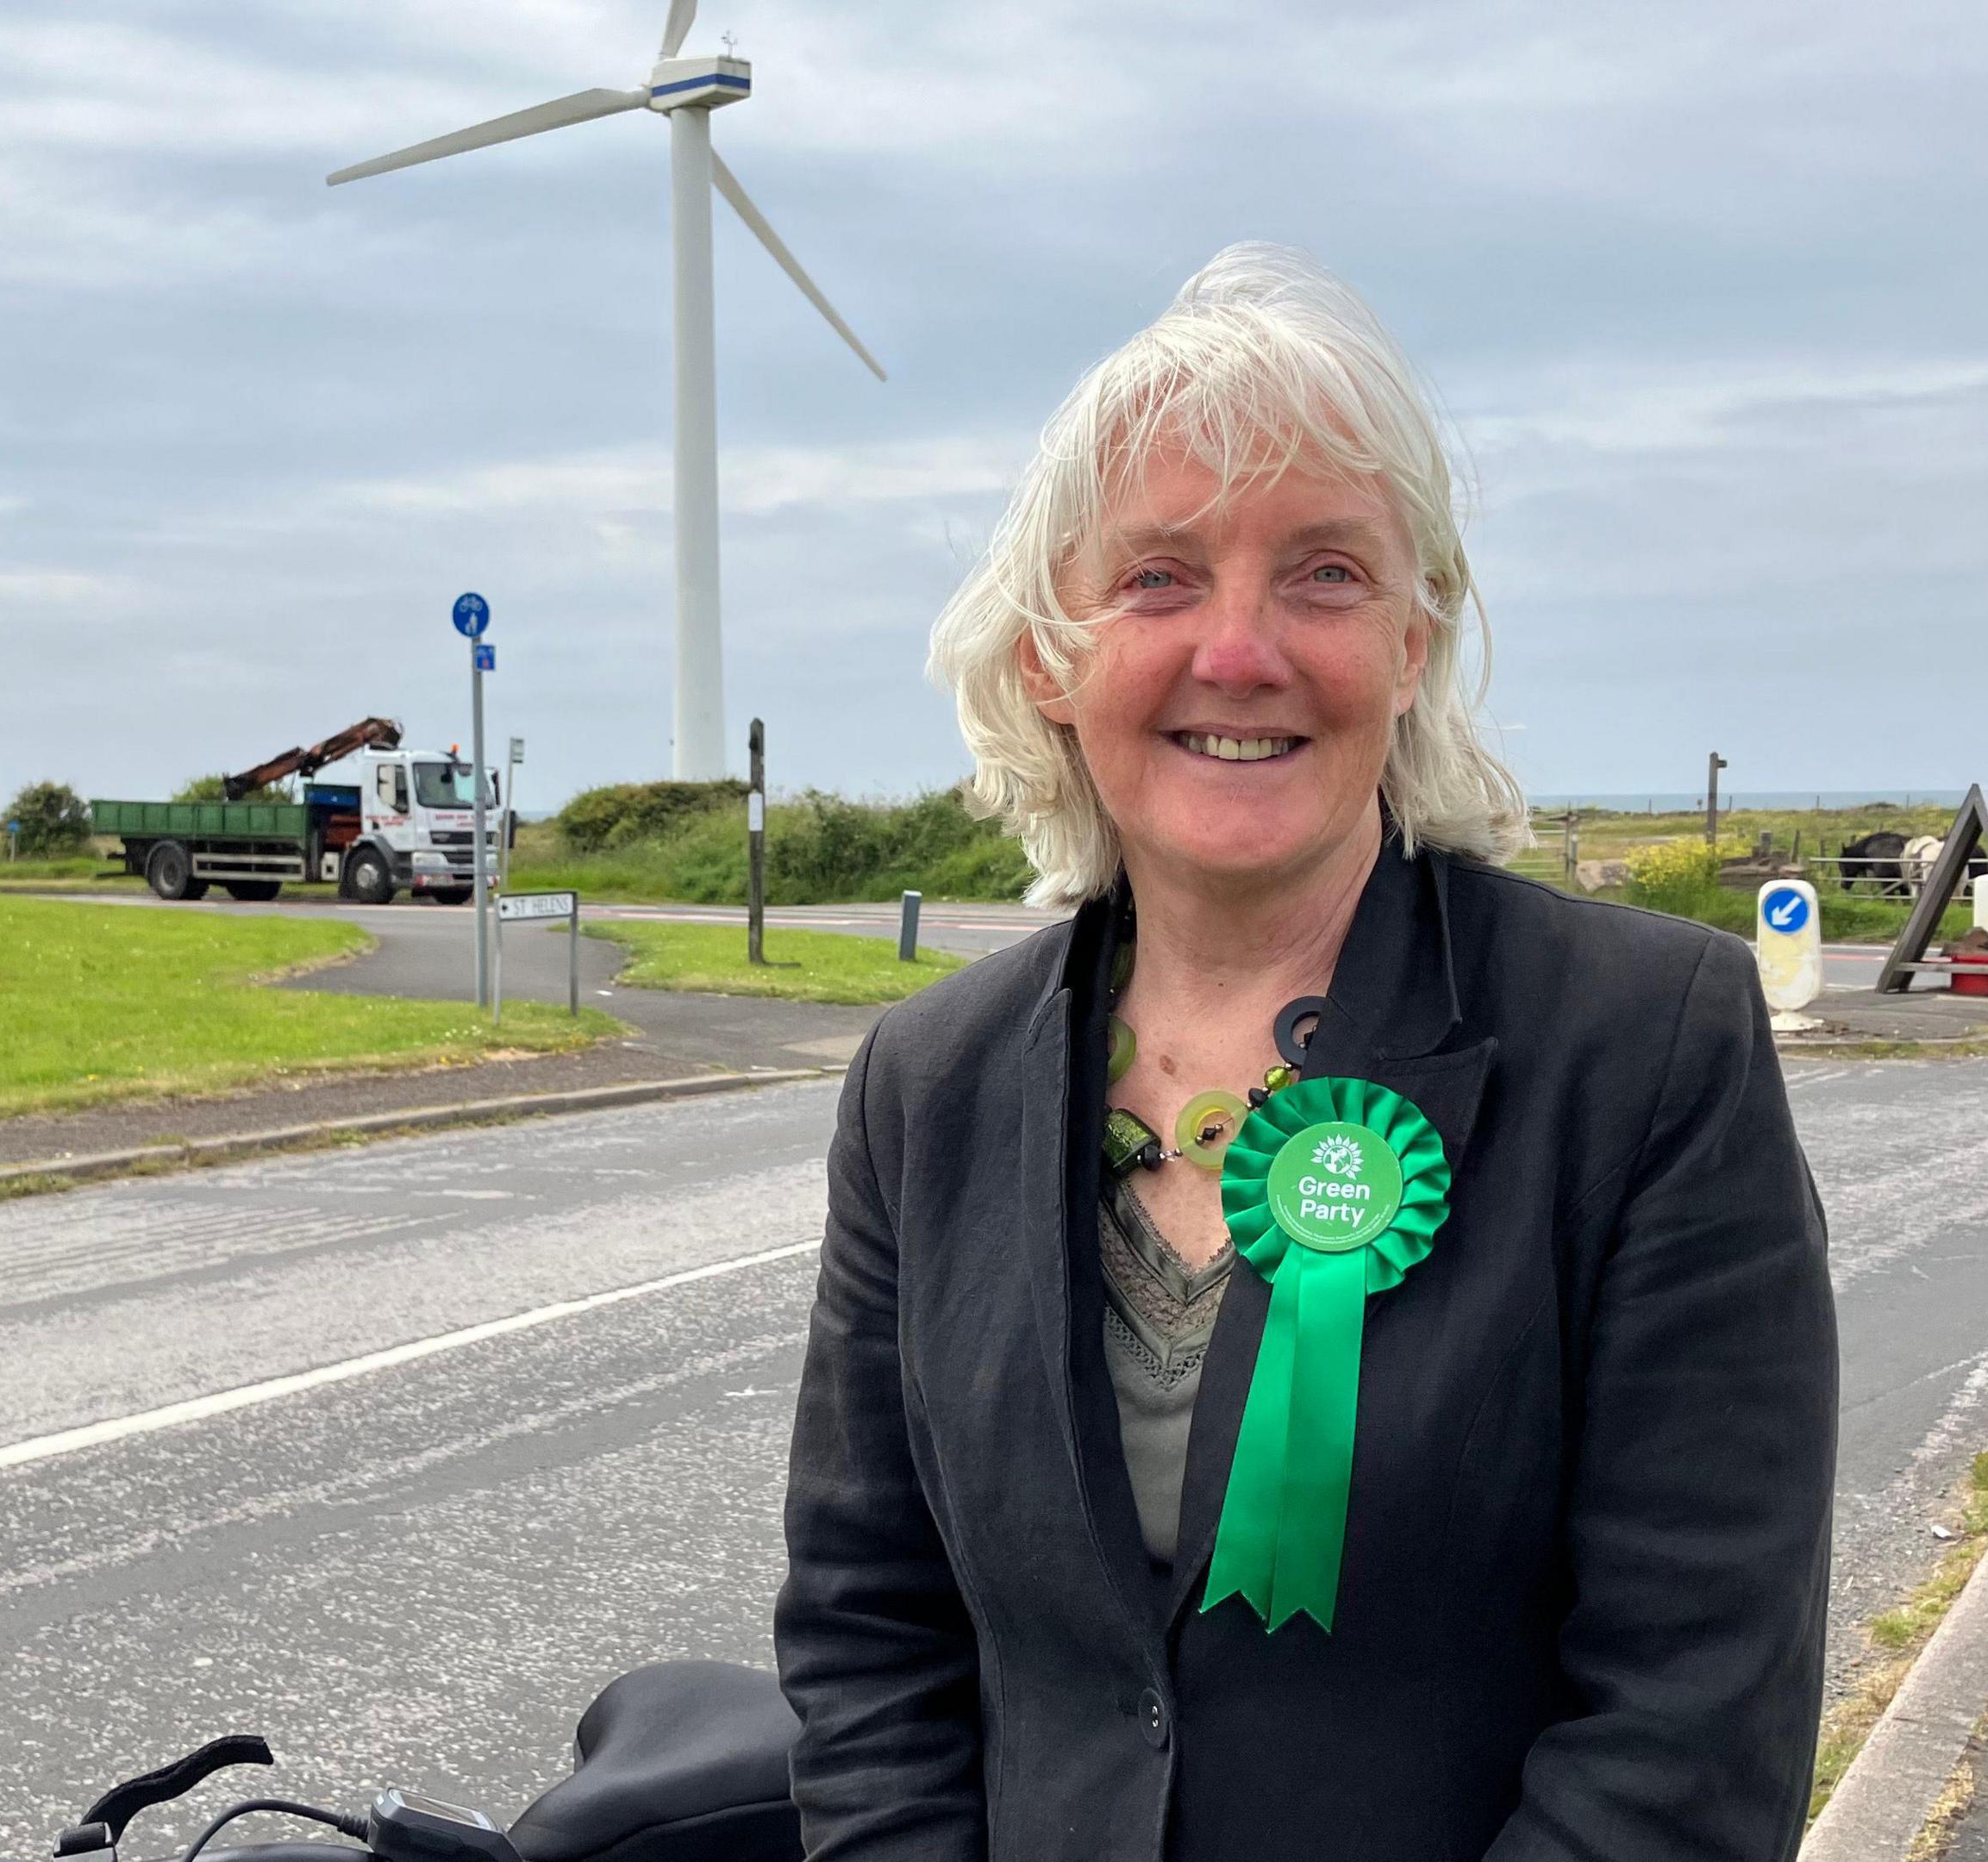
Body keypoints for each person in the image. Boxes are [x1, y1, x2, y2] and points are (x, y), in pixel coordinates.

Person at [774, 246, 1837, 1861]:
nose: (1242, 649)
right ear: (1051, 658)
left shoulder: (1646, 1051)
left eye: (1327, 573)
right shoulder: (926, 1086)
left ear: (1414, 643)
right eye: (1159, 578)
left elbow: (1693, 1720)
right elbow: (869, 1648)